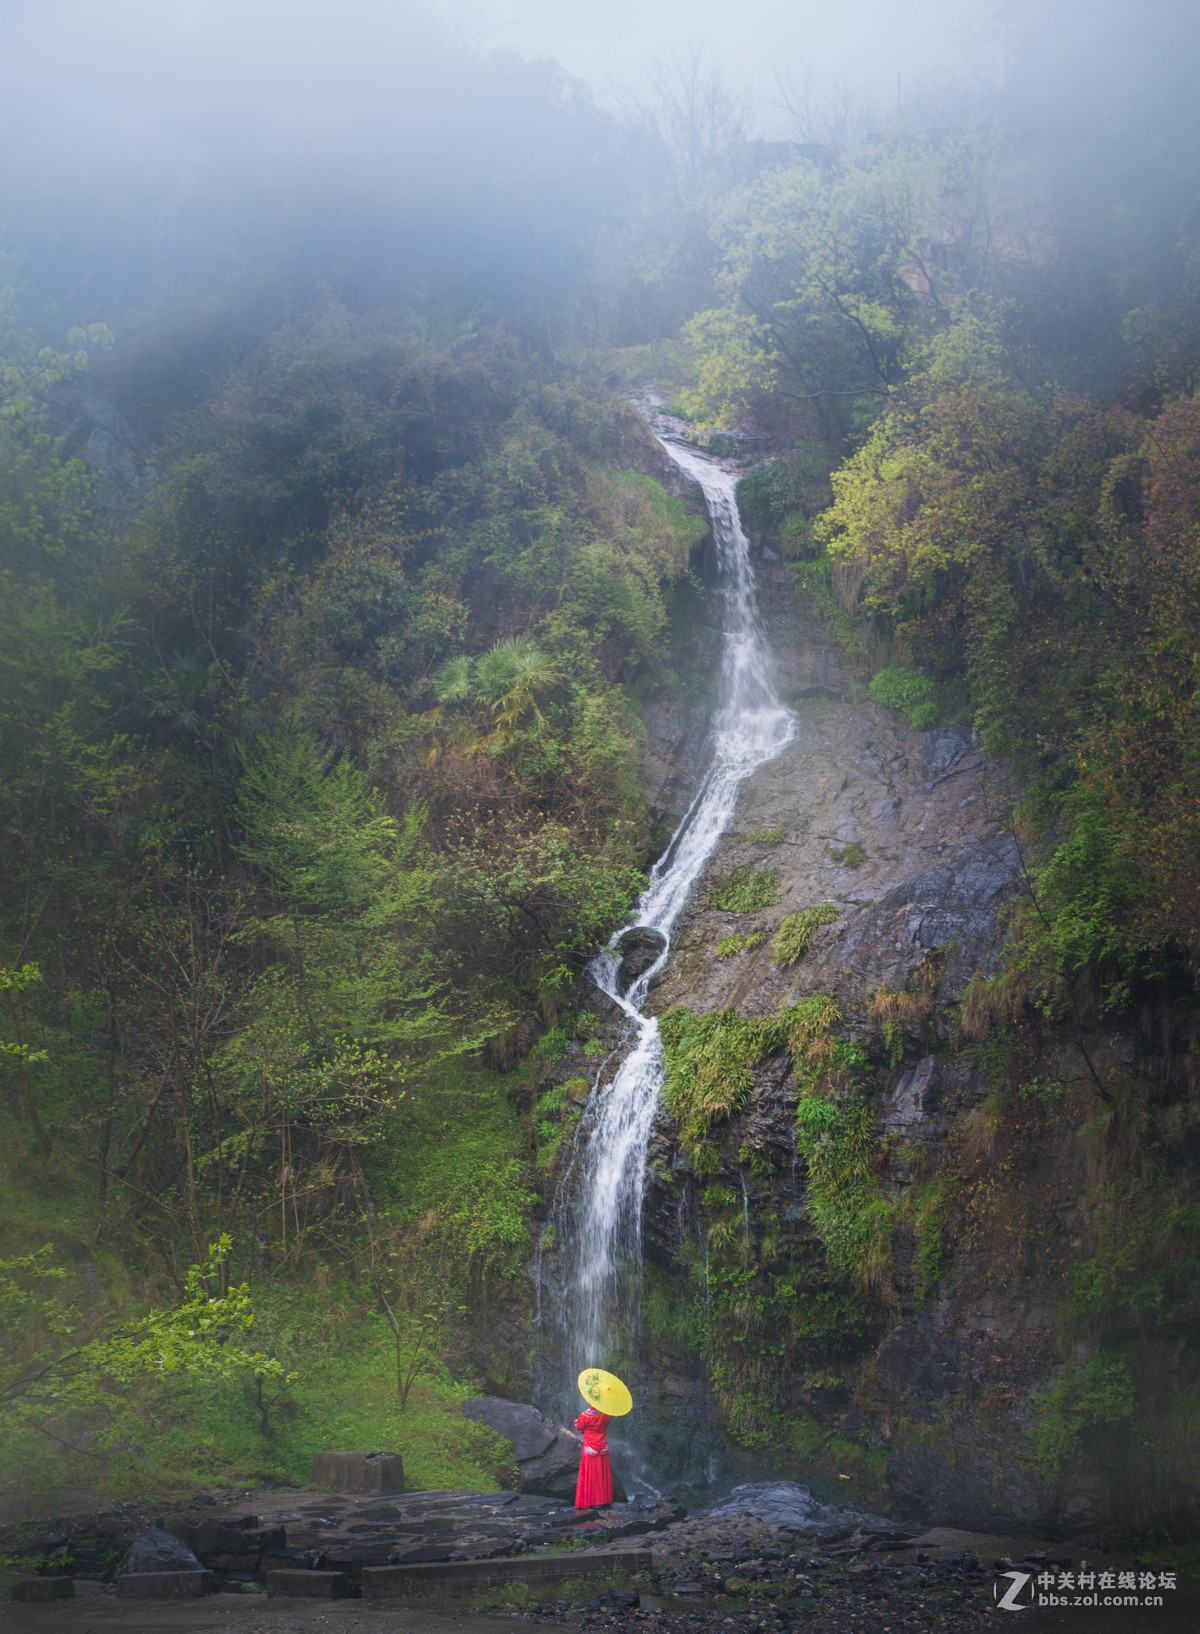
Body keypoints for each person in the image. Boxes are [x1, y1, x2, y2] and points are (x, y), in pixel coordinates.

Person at [573, 1403, 612, 1507]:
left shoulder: (585, 1415)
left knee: (590, 1471)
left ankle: (590, 1501)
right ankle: (604, 1500)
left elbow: (580, 1428)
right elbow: (605, 1426)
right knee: (602, 1471)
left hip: (590, 1445)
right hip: (602, 1444)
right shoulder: (605, 1413)